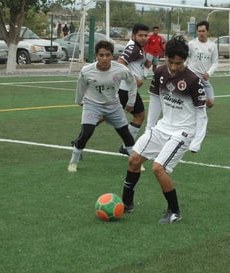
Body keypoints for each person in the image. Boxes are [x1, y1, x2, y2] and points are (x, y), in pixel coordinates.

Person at [121, 35, 208, 224]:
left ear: (184, 60)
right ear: (164, 56)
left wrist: (196, 142)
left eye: (179, 63)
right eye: (171, 61)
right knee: (134, 160)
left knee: (158, 168)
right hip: (162, 128)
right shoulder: (160, 72)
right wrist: (150, 128)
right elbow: (154, 100)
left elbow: (202, 113)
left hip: (183, 132)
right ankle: (126, 204)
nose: (174, 67)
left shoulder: (193, 80)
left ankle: (174, 212)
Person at [67, 40, 138, 172]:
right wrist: (78, 101)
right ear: (96, 56)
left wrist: (131, 102)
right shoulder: (87, 71)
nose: (105, 58)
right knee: (86, 133)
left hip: (114, 106)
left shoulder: (121, 70)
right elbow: (81, 86)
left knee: (126, 134)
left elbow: (132, 83)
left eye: (108, 55)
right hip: (92, 105)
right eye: (101, 55)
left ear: (112, 56)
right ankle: (73, 161)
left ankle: (135, 162)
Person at [117, 23, 151, 155]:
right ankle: (127, 146)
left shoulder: (138, 48)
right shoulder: (132, 48)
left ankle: (82, 137)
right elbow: (120, 63)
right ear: (133, 35)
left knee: (106, 115)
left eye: (145, 35)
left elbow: (141, 63)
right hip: (126, 90)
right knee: (139, 115)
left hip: (126, 89)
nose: (143, 38)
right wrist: (133, 78)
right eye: (140, 35)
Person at [187, 20, 219, 108]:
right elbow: (185, 59)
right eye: (199, 31)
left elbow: (215, 62)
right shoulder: (191, 44)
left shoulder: (212, 46)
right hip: (192, 78)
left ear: (207, 32)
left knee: (211, 103)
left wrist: (209, 73)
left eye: (203, 31)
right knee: (193, 101)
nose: (201, 33)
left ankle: (200, 112)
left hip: (204, 79)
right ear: (197, 32)